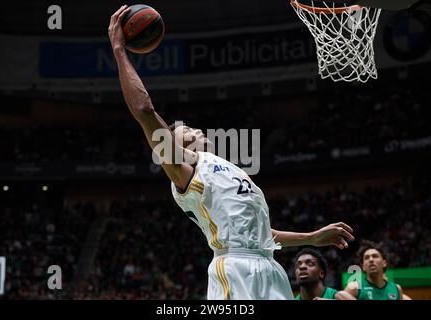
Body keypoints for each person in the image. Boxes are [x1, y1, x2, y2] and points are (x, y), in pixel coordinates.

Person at [108, 5, 355, 300]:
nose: (192, 128)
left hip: (271, 268)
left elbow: (262, 235)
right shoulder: (186, 172)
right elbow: (144, 110)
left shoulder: (233, 171)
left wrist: (312, 238)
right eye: (182, 130)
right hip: (233, 268)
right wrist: (120, 49)